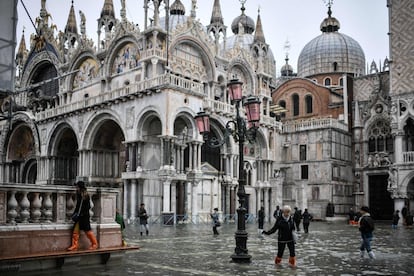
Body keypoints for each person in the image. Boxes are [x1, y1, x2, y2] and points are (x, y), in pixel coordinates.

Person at [67, 181, 98, 251]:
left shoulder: (85, 195)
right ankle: (74, 245)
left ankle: (94, 244)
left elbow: (88, 206)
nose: (76, 188)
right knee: (75, 231)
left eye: (77, 187)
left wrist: (81, 214)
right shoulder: (79, 194)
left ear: (80, 187)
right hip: (79, 217)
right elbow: (78, 206)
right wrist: (75, 213)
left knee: (88, 231)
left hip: (84, 217)